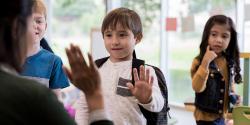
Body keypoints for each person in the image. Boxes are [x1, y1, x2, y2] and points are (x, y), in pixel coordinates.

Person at [0, 0, 113, 125]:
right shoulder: (37, 96)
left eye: (38, 21)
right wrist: (94, 96)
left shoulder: (52, 61)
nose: (34, 28)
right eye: (30, 22)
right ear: (16, 27)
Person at [75, 7, 164, 125]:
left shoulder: (144, 71)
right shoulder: (96, 69)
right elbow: (83, 105)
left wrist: (147, 99)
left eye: (122, 35)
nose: (115, 41)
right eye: (109, 35)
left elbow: (158, 105)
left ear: (137, 38)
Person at [190, 15, 242, 125]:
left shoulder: (228, 62)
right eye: (214, 34)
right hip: (204, 119)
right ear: (207, 36)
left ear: (230, 40)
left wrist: (234, 97)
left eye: (224, 36)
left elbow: (229, 87)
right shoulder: (198, 61)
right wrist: (205, 63)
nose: (219, 40)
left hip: (221, 117)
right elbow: (197, 87)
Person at [20, 0, 69, 96]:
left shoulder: (54, 62)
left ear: (45, 26)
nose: (34, 25)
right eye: (29, 20)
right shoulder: (8, 60)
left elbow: (56, 103)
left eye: (39, 21)